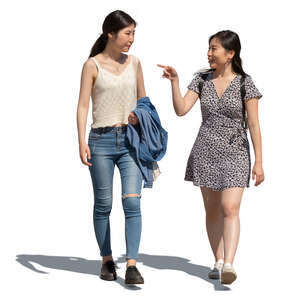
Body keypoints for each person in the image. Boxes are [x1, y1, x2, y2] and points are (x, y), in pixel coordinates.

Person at [158, 30, 264, 285]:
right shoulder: (201, 80)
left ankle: (229, 263)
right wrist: (174, 81)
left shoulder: (244, 83)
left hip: (236, 149)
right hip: (205, 148)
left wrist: (259, 161)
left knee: (230, 208)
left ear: (230, 54)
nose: (209, 53)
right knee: (213, 210)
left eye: (215, 48)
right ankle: (217, 260)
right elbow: (182, 109)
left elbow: (254, 125)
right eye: (209, 48)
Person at [76, 10, 146, 284]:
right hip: (100, 142)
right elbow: (83, 104)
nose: (131, 39)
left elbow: (144, 102)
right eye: (127, 33)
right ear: (110, 34)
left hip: (130, 141)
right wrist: (80, 140)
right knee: (103, 205)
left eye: (133, 34)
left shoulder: (136, 63)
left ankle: (131, 265)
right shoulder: (92, 65)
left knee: (132, 202)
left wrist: (138, 115)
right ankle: (106, 260)